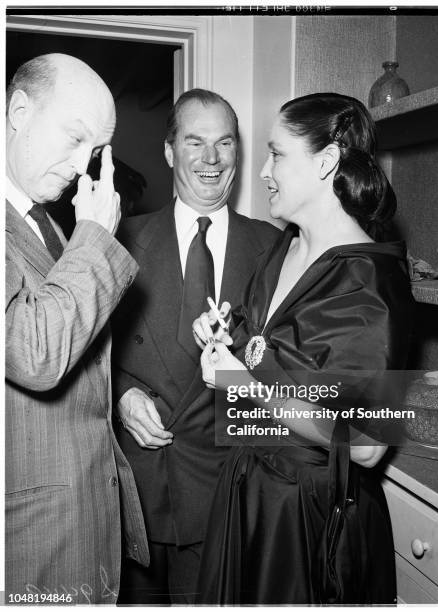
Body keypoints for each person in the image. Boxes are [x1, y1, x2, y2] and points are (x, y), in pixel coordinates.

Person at [193, 92, 415, 604]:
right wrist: (231, 340)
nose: (264, 171)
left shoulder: (372, 282)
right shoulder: (283, 246)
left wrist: (244, 387)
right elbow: (270, 352)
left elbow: (365, 445)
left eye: (277, 154)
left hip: (308, 516)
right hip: (252, 494)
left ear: (326, 162)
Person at [111, 88, 279, 604]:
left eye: (224, 144)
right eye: (195, 142)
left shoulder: (276, 248)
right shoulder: (117, 240)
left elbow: (292, 374)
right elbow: (88, 352)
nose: (211, 159)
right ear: (169, 152)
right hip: (136, 491)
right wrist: (119, 396)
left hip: (230, 492)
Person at [5, 53, 149, 604]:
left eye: (94, 152)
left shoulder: (46, 226)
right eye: (73, 138)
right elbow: (36, 352)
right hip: (26, 543)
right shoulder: (75, 230)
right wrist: (94, 233)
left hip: (77, 525)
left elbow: (79, 359)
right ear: (19, 110)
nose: (82, 166)